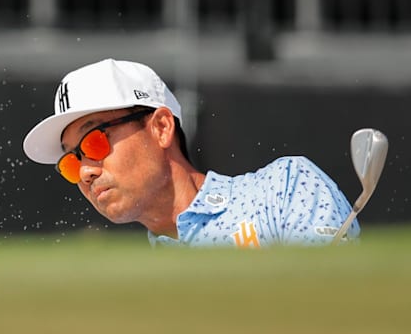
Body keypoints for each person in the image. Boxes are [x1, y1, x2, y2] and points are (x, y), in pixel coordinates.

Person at [22, 58, 359, 247]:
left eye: (95, 141)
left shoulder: (284, 187)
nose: (85, 172)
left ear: (161, 128)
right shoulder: (135, 288)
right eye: (70, 161)